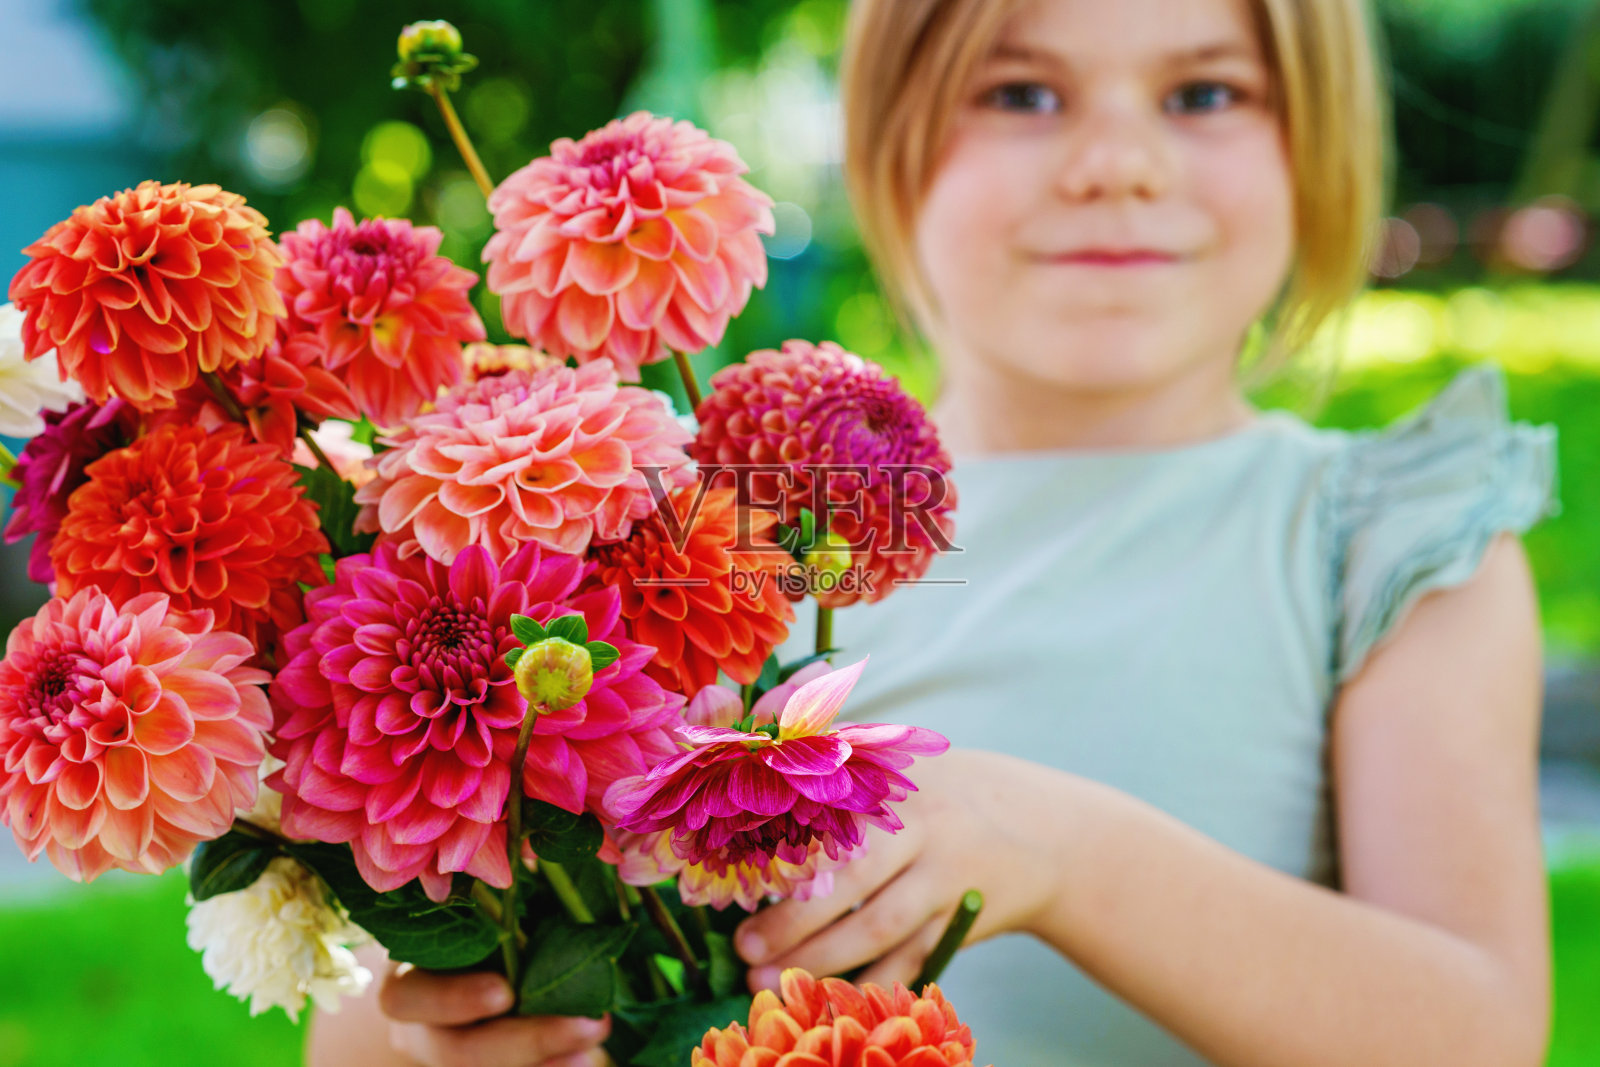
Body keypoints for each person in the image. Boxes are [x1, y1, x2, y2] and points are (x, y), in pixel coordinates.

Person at [309, 0, 1558, 1062]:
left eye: (1203, 94)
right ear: (889, 141)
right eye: (1021, 94)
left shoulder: (1384, 537)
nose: (1114, 164)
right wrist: (415, 1036)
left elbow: (1478, 1030)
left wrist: (1066, 855)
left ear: (1316, 138)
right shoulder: (706, 519)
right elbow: (367, 1010)